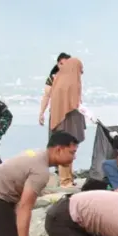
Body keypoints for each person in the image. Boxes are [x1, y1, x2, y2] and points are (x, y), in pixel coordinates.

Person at [43, 57, 85, 188]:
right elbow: (71, 102)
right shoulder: (67, 82)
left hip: (65, 117)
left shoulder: (64, 80)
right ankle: (64, 180)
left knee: (69, 147)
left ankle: (68, 177)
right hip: (66, 118)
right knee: (64, 147)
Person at [38, 52, 70, 126]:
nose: (63, 66)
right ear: (58, 64)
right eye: (61, 64)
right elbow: (46, 96)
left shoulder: (73, 79)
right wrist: (41, 113)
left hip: (70, 115)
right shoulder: (52, 78)